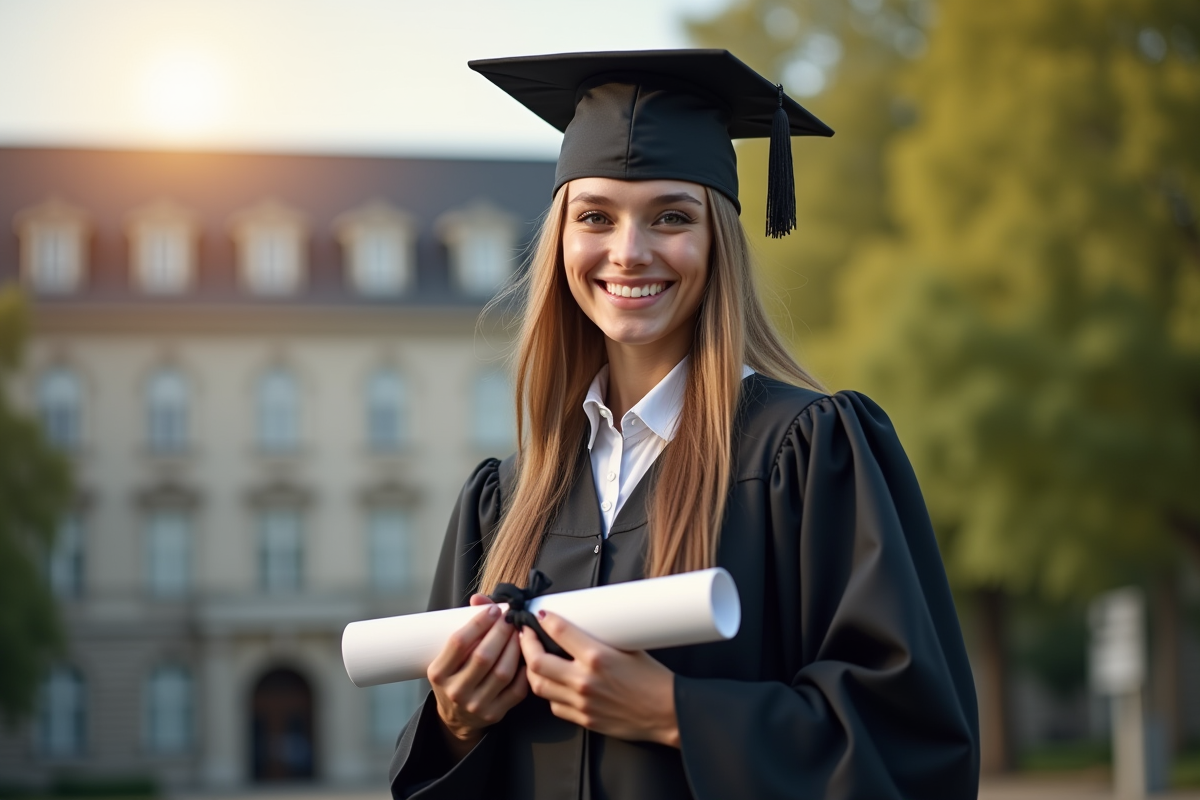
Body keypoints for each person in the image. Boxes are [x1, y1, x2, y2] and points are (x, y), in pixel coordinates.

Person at [388, 50, 980, 800]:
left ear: (717, 242)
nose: (628, 252)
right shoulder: (508, 499)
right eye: (595, 217)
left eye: (672, 217)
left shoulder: (809, 455)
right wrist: (456, 723)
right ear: (561, 242)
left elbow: (914, 749)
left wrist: (677, 713)